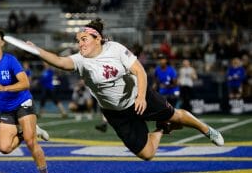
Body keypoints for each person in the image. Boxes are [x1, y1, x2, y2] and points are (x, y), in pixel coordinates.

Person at [25, 18, 224, 160]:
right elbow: (59, 61)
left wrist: (141, 97)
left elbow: (140, 71)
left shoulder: (115, 49)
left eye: (83, 39)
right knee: (147, 154)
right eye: (77, 41)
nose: (79, 44)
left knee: (177, 116)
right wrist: (37, 51)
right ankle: (162, 128)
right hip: (115, 112)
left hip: (139, 98)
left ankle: (207, 130)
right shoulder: (80, 61)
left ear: (97, 38)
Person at [0, 29, 52, 173]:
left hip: (22, 103)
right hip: (5, 109)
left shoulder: (10, 60)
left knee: (30, 141)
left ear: (2, 43)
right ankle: (32, 129)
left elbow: (25, 83)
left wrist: (5, 89)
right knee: (4, 148)